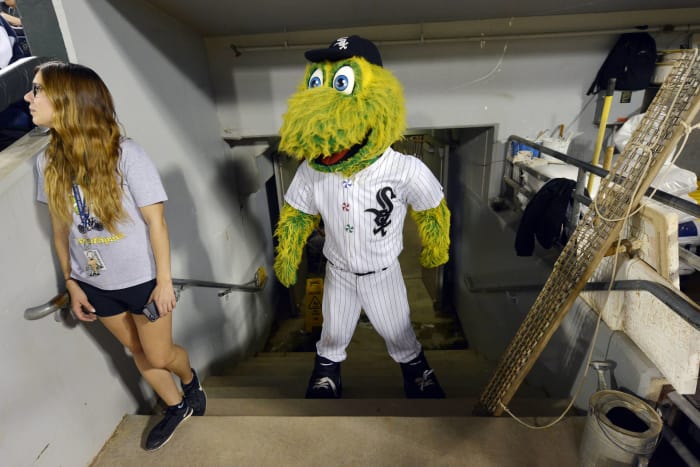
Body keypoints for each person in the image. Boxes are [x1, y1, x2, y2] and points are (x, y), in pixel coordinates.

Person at [27, 61, 206, 451]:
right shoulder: (47, 162)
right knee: (135, 351)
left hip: (142, 282)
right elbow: (61, 231)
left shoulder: (127, 154)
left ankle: (190, 379)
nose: (29, 98)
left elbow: (156, 223)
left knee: (159, 354)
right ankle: (176, 407)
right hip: (95, 284)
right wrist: (72, 283)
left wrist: (163, 282)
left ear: (67, 99)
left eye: (38, 90)